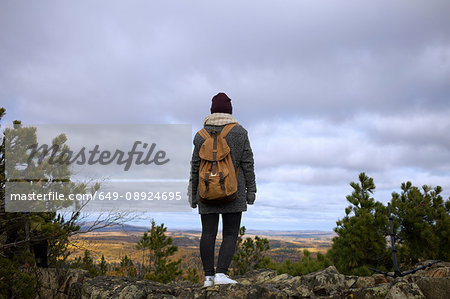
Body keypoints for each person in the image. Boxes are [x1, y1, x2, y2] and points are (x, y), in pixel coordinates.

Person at [189, 92, 257, 287]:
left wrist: (194, 195)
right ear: (230, 111)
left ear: (212, 111)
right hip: (233, 192)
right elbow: (248, 164)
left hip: (205, 191)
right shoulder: (240, 132)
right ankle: (221, 274)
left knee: (207, 233)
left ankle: (208, 277)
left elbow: (195, 166)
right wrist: (251, 191)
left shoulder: (200, 135)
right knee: (229, 233)